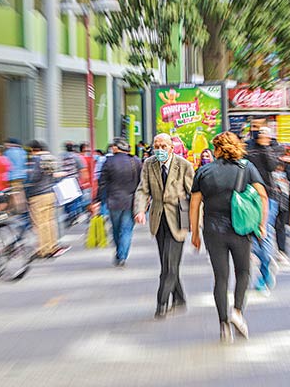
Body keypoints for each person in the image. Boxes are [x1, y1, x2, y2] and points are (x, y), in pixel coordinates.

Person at [190, 131, 268, 343]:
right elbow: (262, 195)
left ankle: (223, 324)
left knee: (221, 277)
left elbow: (195, 203)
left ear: (216, 149)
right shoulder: (247, 167)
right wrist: (262, 224)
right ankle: (237, 312)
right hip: (240, 228)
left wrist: (195, 233)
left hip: (213, 229)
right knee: (243, 271)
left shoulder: (204, 170)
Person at [134, 133, 194, 319]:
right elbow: (143, 189)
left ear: (171, 147)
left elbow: (194, 194)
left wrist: (197, 222)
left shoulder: (184, 165)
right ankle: (180, 299)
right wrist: (140, 210)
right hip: (159, 218)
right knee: (167, 262)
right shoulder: (149, 164)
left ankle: (161, 302)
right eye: (156, 146)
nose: (159, 150)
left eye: (163, 146)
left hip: (179, 217)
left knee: (169, 265)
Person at [96, 138, 142, 266]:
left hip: (114, 201)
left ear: (116, 148)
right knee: (127, 230)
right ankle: (123, 256)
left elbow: (102, 183)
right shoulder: (136, 161)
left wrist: (98, 200)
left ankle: (119, 252)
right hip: (131, 201)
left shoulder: (109, 162)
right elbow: (141, 182)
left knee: (116, 229)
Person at [245, 127, 279, 294]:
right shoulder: (248, 148)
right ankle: (266, 263)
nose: (262, 135)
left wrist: (265, 147)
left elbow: (273, 166)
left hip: (269, 197)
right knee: (249, 236)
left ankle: (264, 275)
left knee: (264, 233)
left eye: (265, 133)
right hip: (249, 197)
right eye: (259, 132)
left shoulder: (272, 148)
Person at [26, 140, 69, 258]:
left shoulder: (36, 160)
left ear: (33, 150)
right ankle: (52, 246)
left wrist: (26, 185)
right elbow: (53, 175)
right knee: (50, 222)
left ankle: (43, 250)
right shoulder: (50, 158)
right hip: (50, 194)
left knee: (40, 224)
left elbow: (33, 177)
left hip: (38, 195)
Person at [60, 141, 86, 226]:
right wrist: (82, 180)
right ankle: (73, 214)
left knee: (66, 199)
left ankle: (68, 214)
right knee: (75, 199)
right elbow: (82, 168)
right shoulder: (76, 156)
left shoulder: (62, 156)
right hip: (74, 180)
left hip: (64, 180)